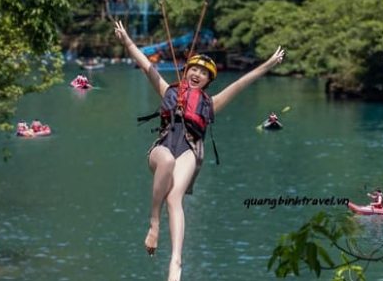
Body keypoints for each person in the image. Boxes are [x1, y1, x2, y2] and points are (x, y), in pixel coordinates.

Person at [114, 20, 285, 281]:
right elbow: (147, 66)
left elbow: (242, 83)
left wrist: (268, 65)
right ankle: (154, 224)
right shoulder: (168, 90)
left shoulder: (211, 103)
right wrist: (126, 41)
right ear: (186, 71)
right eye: (193, 68)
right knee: (168, 161)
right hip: (163, 148)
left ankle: (176, 263)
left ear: (208, 80)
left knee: (175, 198)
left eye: (203, 72)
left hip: (189, 151)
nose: (196, 73)